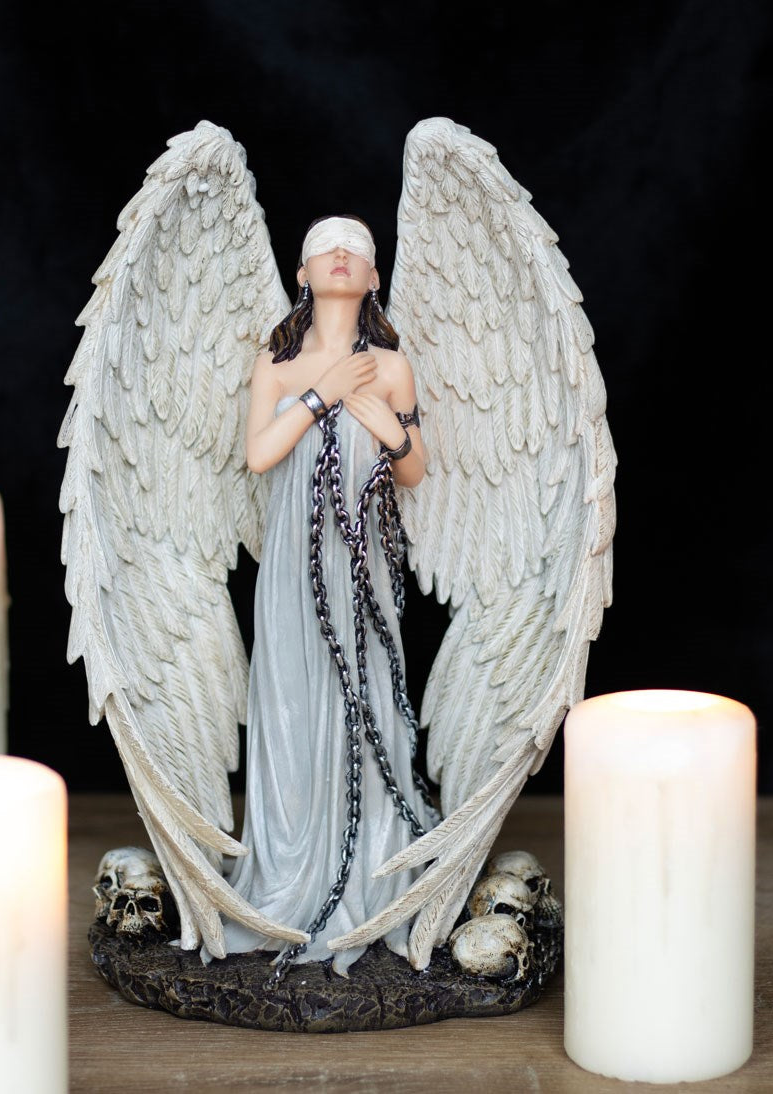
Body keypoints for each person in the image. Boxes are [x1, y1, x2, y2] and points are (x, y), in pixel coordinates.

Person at [221, 215, 433, 975]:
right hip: (291, 569)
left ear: (374, 277)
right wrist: (321, 395)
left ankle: (370, 866)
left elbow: (413, 470)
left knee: (363, 700)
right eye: (324, 247)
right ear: (303, 273)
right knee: (291, 703)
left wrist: (389, 430)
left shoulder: (392, 368)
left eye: (357, 249)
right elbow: (258, 455)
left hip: (361, 566)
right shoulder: (275, 368)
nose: (340, 254)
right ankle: (288, 869)